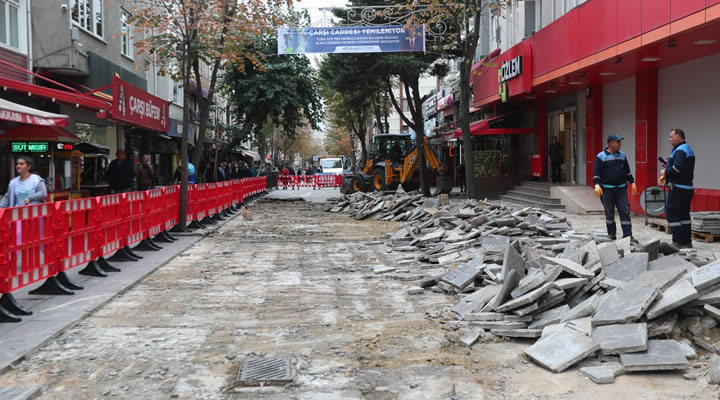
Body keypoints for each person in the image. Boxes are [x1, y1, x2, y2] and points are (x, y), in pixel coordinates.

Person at [593, 134, 637, 240]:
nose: (620, 144)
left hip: (621, 189)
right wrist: (597, 184)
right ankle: (611, 235)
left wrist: (632, 182)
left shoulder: (622, 155)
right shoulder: (601, 157)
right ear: (611, 144)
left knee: (625, 212)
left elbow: (627, 171)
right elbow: (597, 173)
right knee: (609, 213)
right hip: (607, 189)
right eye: (618, 142)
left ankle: (628, 235)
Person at [659, 128, 696, 249]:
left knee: (672, 212)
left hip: (678, 188)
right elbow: (681, 166)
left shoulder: (680, 150)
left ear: (678, 138)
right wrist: (668, 164)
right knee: (684, 215)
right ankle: (686, 241)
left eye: (671, 137)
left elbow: (677, 169)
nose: (669, 139)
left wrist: (666, 171)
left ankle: (678, 241)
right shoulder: (686, 149)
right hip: (687, 188)